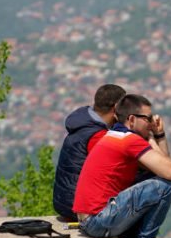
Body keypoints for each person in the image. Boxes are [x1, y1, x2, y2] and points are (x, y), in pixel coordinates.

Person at [73, 93, 171, 238]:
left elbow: (162, 165)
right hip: (97, 221)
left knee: (158, 179)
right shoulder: (129, 140)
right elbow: (168, 171)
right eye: (147, 119)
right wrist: (151, 137)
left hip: (89, 219)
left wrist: (158, 135)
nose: (151, 122)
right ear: (132, 120)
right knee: (164, 187)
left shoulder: (114, 136)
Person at [53, 83, 126, 221]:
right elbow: (117, 168)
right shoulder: (96, 136)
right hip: (77, 207)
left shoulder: (84, 125)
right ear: (116, 108)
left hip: (63, 201)